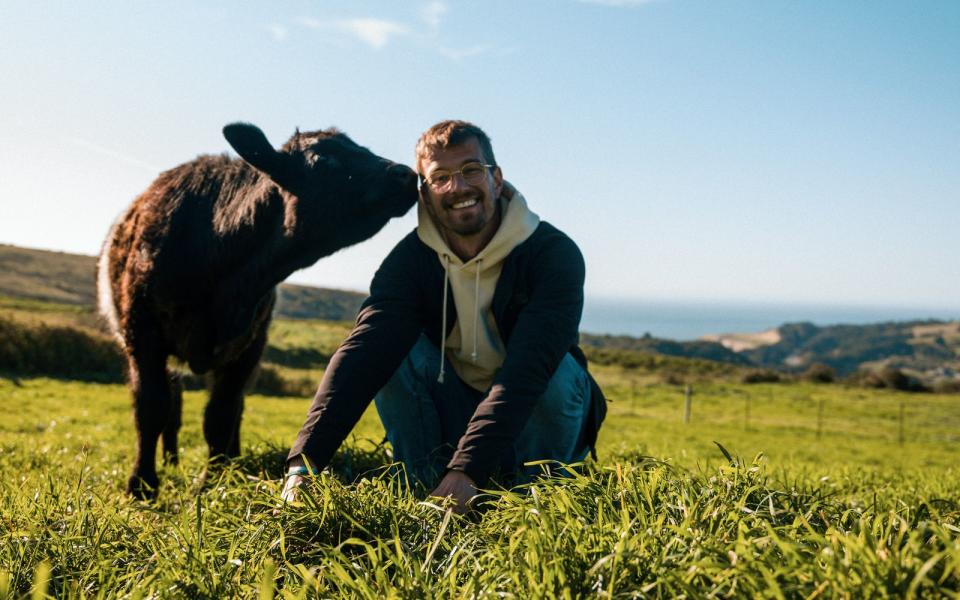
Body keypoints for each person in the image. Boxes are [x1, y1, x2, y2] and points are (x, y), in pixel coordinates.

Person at [282, 120, 605, 513]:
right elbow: (364, 351)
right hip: (460, 411)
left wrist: (468, 469)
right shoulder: (410, 261)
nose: (458, 188)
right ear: (425, 194)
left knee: (556, 371)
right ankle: (427, 484)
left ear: (496, 179)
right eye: (440, 178)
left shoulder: (553, 253)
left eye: (471, 170)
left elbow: (527, 370)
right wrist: (304, 463)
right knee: (390, 352)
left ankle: (535, 492)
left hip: (536, 415)